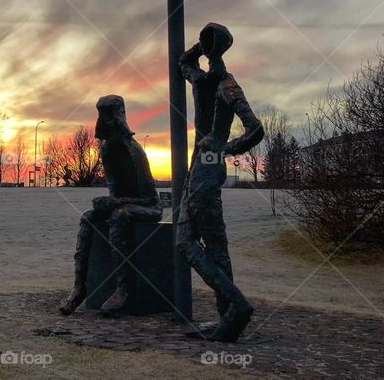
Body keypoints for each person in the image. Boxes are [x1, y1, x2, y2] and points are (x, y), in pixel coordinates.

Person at [176, 23, 264, 342]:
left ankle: (236, 308)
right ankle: (228, 317)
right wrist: (205, 45)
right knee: (210, 243)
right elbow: (184, 62)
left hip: (209, 165)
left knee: (189, 241)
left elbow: (255, 128)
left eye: (211, 44)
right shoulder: (203, 80)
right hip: (198, 166)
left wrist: (224, 147)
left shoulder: (227, 85)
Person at [60, 95, 161, 316]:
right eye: (102, 115)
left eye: (110, 115)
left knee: (120, 215)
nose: (106, 121)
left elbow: (150, 199)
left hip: (149, 207)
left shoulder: (134, 150)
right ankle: (79, 288)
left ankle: (123, 289)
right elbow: (115, 191)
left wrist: (115, 203)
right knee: (88, 216)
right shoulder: (106, 150)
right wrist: (107, 203)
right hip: (123, 205)